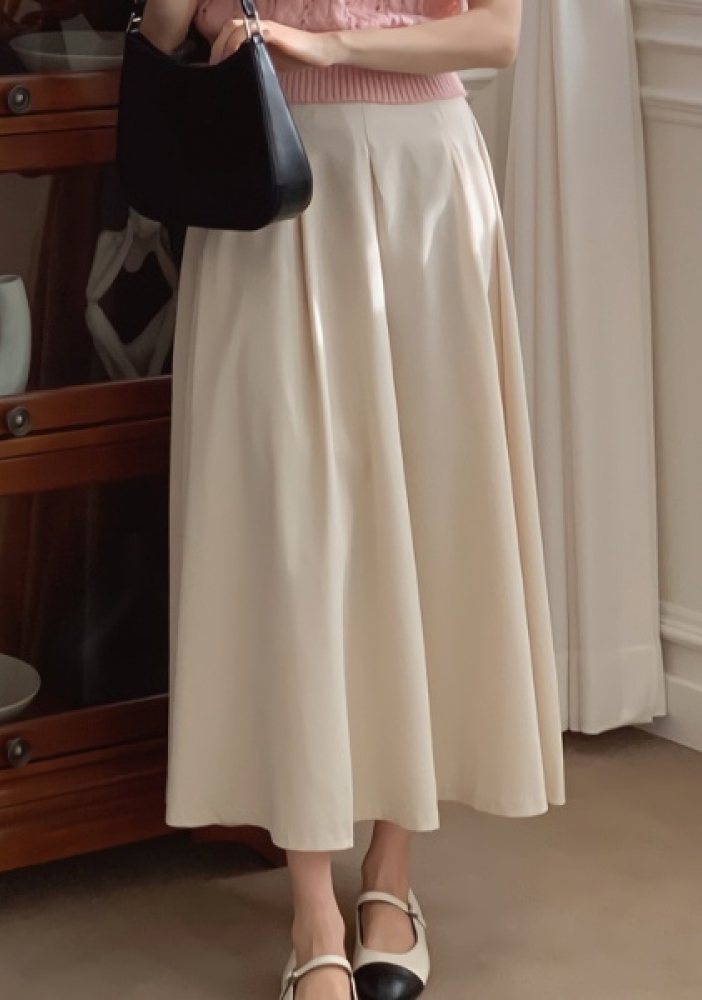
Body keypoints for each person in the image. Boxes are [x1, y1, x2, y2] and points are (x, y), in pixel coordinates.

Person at [138, 2, 565, 998]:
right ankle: (312, 906)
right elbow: (160, 36)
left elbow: (496, 36)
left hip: (422, 187)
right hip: (264, 175)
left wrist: (329, 47)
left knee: (430, 503)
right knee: (289, 530)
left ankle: (390, 876)